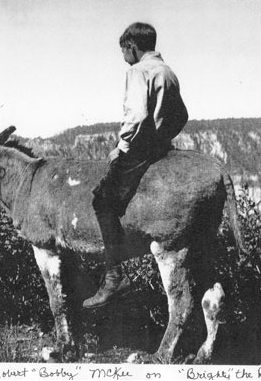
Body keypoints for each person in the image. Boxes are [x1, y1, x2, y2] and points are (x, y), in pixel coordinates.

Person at [83, 22, 188, 308]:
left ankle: (115, 277)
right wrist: (163, 137)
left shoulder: (137, 71)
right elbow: (182, 115)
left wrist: (123, 147)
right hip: (161, 146)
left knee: (102, 202)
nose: (123, 57)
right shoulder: (168, 72)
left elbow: (138, 114)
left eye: (123, 51)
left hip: (140, 149)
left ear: (131, 46)